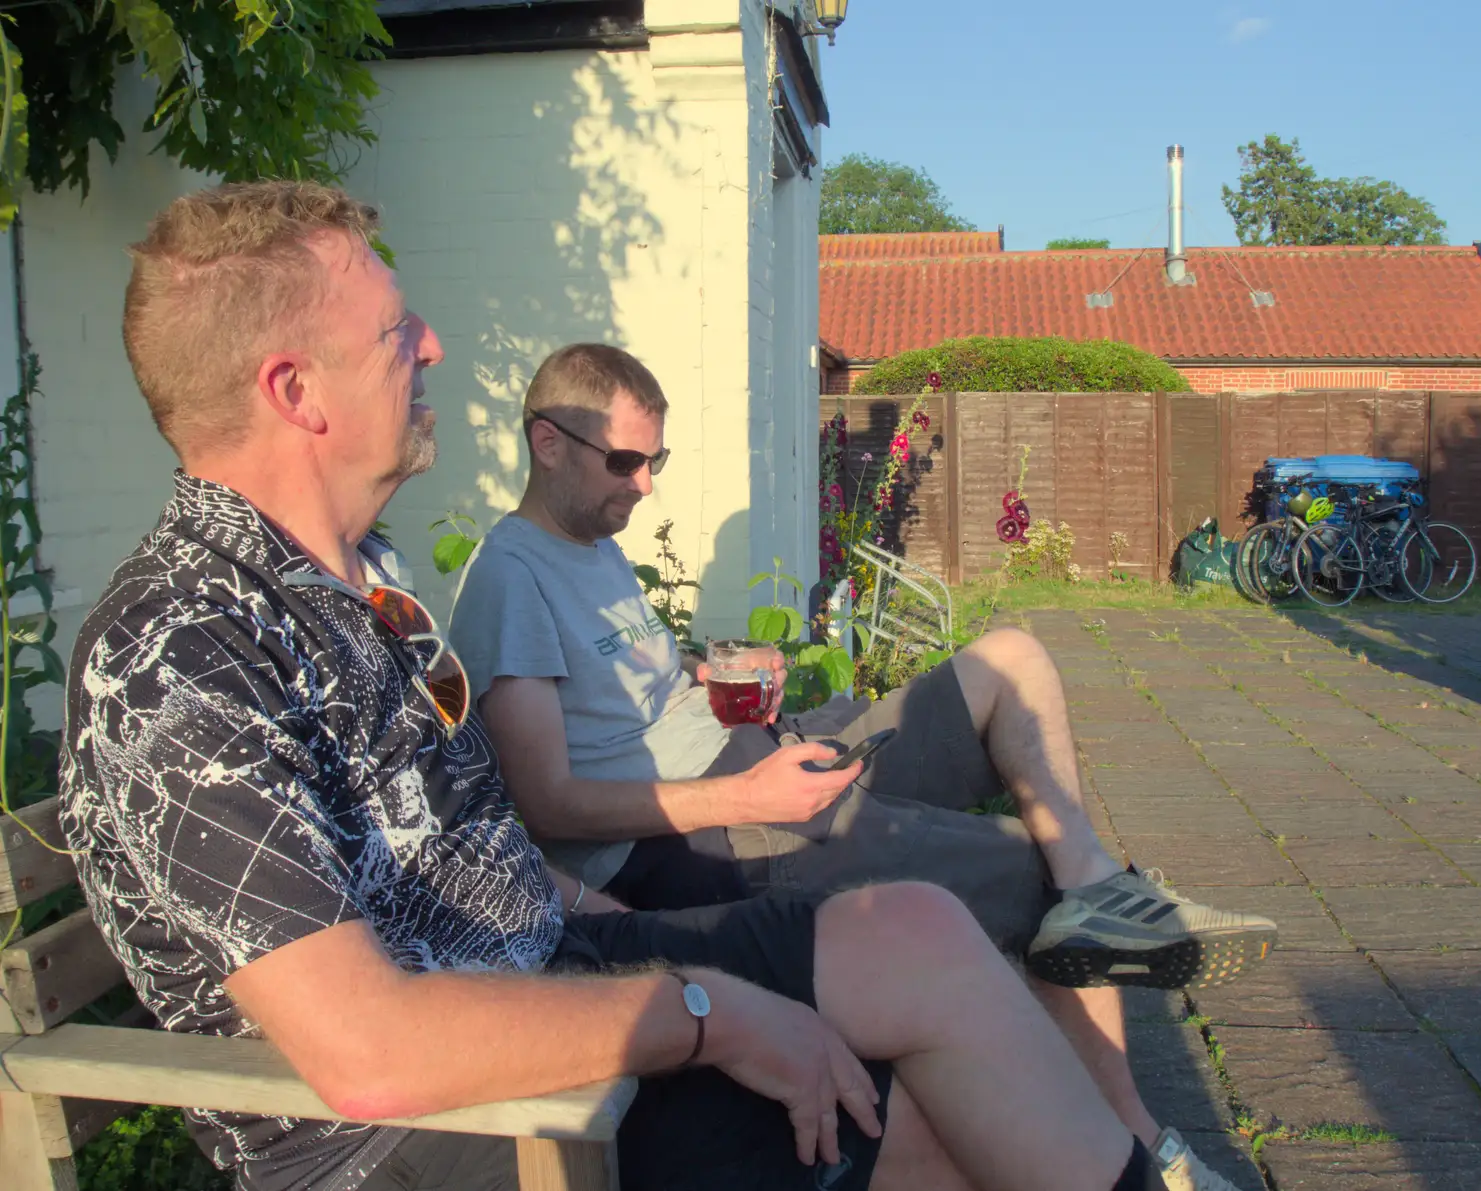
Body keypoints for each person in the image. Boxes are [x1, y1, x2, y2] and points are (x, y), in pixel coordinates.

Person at [58, 179, 1190, 1191]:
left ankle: (1128, 1147)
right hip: (432, 1129)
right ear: (296, 389)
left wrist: (666, 935)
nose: (434, 346)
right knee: (929, 1130)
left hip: (541, 973)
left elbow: (475, 858)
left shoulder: (364, 584)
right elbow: (366, 1052)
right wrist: (708, 1012)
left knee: (921, 932)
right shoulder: (178, 656)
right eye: (396, 329)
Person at [451, 343, 1281, 1191]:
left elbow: (629, 697)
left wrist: (711, 673)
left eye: (654, 460)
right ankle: (1140, 1146)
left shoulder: (592, 545)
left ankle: (1100, 889)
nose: (645, 484)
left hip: (757, 761)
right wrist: (746, 793)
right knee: (1030, 876)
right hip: (704, 837)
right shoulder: (511, 578)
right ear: (547, 441)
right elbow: (548, 805)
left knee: (1009, 661)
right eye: (625, 461)